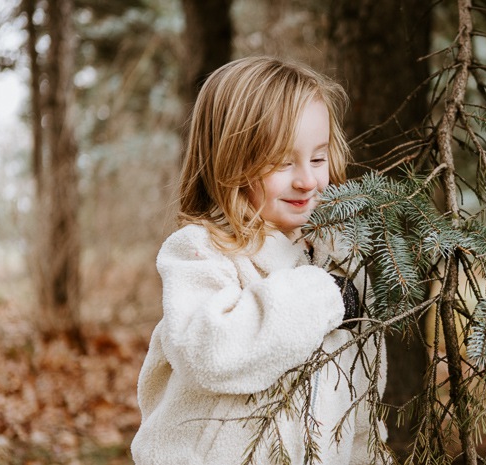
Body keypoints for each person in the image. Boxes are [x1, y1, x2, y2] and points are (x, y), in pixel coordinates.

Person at [131, 56, 387, 465]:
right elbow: (208, 351)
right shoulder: (201, 252)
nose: (307, 180)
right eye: (283, 162)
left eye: (318, 159)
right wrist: (323, 294)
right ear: (232, 160)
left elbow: (359, 404)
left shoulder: (338, 262)